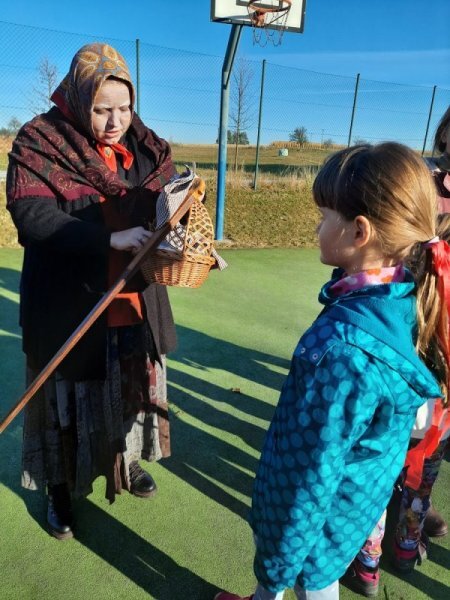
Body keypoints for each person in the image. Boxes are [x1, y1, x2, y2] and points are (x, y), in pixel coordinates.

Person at [215, 142, 450, 600]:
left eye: (324, 217)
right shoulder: (402, 299)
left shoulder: (344, 352)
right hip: (349, 511)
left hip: (317, 527)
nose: (317, 227)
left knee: (314, 584)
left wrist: (277, 563)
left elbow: (311, 475)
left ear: (360, 231)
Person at [6, 43, 179, 540]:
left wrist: (181, 233)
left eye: (124, 107)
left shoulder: (148, 147)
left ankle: (127, 462)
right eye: (102, 109)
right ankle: (59, 490)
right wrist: (107, 238)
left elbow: (168, 201)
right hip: (69, 302)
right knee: (65, 404)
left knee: (129, 390)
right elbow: (31, 215)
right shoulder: (40, 140)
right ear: (80, 100)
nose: (115, 121)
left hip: (133, 300)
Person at [343, 108, 450, 598]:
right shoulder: (420, 181)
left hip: (423, 367)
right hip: (414, 362)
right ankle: (393, 549)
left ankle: (381, 554)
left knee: (396, 463)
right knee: (409, 464)